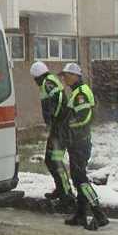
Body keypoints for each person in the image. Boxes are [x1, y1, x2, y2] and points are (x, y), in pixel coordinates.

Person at [59, 62, 109, 231]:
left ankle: (99, 214)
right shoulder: (77, 92)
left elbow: (83, 117)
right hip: (77, 142)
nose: (64, 78)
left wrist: (67, 127)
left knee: (81, 180)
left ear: (75, 76)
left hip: (79, 142)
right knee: (77, 178)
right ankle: (80, 215)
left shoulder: (81, 93)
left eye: (66, 75)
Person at [30, 61, 75, 211]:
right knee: (52, 160)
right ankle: (62, 189)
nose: (35, 82)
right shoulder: (49, 81)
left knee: (53, 160)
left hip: (60, 127)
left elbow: (60, 98)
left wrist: (54, 117)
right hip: (59, 126)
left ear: (37, 76)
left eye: (34, 78)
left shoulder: (48, 82)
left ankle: (66, 195)